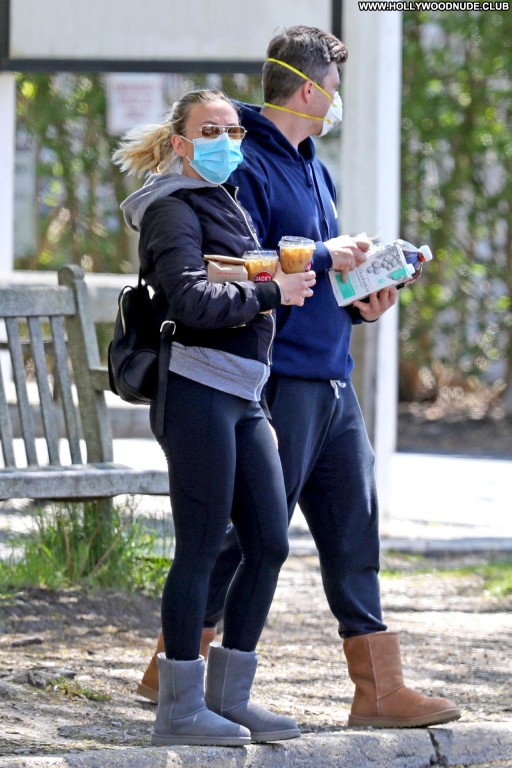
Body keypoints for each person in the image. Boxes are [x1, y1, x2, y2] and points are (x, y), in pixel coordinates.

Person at [138, 27, 461, 729]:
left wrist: (362, 299)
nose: (338, 99)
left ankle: (378, 688)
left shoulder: (316, 166)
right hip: (274, 377)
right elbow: (242, 266)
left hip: (331, 370)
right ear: (311, 89)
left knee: (353, 528)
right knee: (249, 532)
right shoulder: (245, 165)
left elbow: (313, 279)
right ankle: (174, 669)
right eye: (335, 86)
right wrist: (321, 252)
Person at [114, 88, 316, 747]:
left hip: (243, 394)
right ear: (180, 143)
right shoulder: (170, 210)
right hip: (196, 390)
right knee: (200, 548)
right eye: (210, 131)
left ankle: (231, 700)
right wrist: (271, 291)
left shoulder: (225, 201)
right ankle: (178, 709)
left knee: (270, 543)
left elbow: (231, 286)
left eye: (233, 131)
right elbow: (192, 301)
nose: (226, 141)